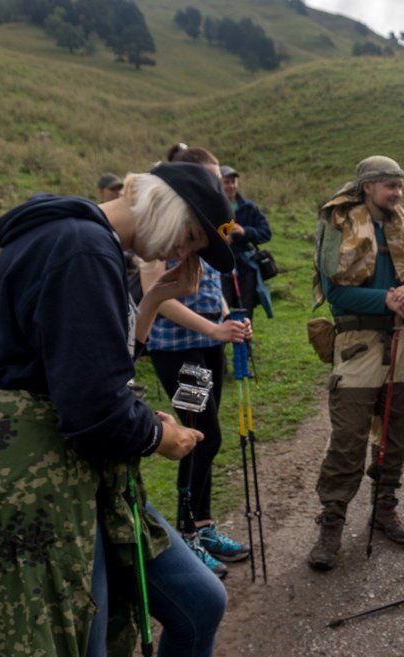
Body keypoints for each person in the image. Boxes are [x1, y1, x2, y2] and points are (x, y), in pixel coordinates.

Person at [0, 161, 233, 657]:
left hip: (67, 468)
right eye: (191, 235)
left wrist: (154, 298)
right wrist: (160, 437)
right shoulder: (83, 248)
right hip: (29, 475)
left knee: (198, 604)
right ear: (165, 205)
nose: (184, 253)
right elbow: (96, 412)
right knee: (75, 643)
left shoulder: (87, 244)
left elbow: (103, 372)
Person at [307, 155, 404, 571]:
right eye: (390, 185)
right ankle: (331, 521)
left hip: (401, 349)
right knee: (348, 441)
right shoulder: (339, 228)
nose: (397, 193)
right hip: (356, 349)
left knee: (396, 436)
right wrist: (384, 299)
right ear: (367, 186)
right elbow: (335, 294)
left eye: (400, 186)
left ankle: (384, 507)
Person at [141, 144, 252, 578]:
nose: (217, 188)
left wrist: (229, 320)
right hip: (177, 346)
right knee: (197, 435)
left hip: (209, 342)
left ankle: (202, 526)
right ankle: (186, 533)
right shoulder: (162, 227)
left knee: (208, 434)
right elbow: (158, 299)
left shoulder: (205, 229)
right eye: (209, 180)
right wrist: (211, 329)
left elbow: (212, 292)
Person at [219, 164, 273, 320]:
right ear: (218, 183)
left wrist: (245, 232)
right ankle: (220, 342)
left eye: (233, 182)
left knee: (246, 311)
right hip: (221, 266)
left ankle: (245, 343)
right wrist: (220, 240)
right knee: (221, 311)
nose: (230, 186)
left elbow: (266, 233)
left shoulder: (249, 207)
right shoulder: (212, 207)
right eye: (226, 182)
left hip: (246, 267)